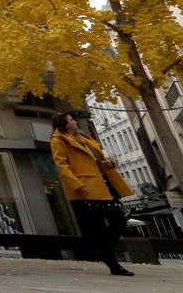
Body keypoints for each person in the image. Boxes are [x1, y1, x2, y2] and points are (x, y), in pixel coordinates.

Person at [50, 111, 134, 276]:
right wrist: (76, 184)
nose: (75, 122)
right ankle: (113, 265)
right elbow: (61, 164)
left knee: (119, 222)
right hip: (86, 189)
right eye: (72, 119)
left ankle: (102, 251)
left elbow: (101, 155)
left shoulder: (84, 137)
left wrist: (111, 162)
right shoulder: (58, 140)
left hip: (103, 185)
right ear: (65, 124)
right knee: (100, 229)